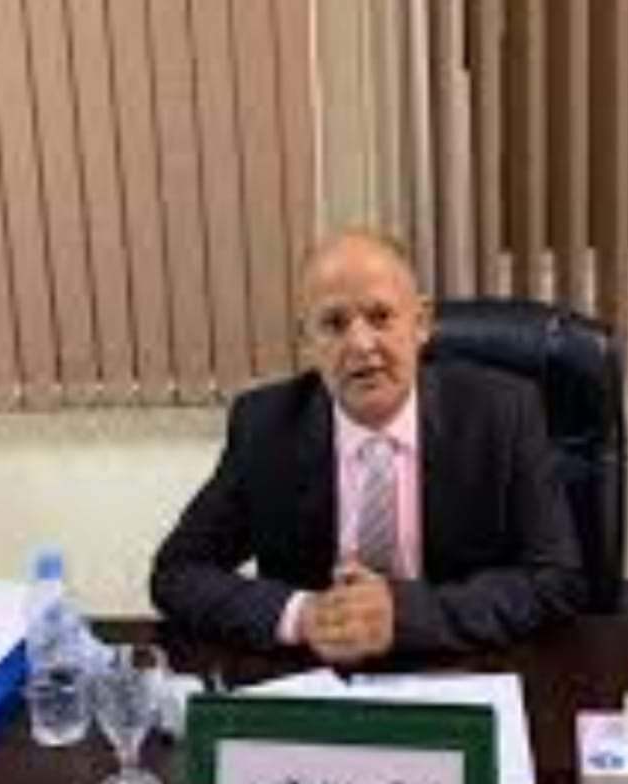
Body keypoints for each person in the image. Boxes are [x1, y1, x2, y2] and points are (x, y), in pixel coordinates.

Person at [151, 231, 587, 664]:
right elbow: (177, 572)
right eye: (334, 324)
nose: (361, 344)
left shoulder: (501, 414)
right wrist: (303, 615)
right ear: (307, 342)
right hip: (320, 673)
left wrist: (404, 616)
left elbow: (555, 579)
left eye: (380, 317)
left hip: (457, 664)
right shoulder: (267, 427)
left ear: (421, 323)